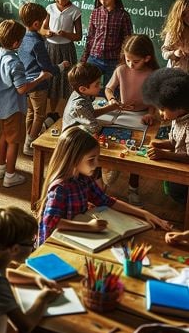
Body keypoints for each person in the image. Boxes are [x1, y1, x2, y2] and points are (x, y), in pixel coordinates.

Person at [36, 126, 171, 245]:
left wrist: (144, 213)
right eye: (91, 160)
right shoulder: (60, 188)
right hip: (54, 245)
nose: (96, 164)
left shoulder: (84, 179)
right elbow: (51, 222)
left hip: (77, 237)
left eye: (97, 158)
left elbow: (107, 201)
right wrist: (89, 227)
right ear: (73, 159)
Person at [0, 20, 53, 187]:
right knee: (14, 141)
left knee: (5, 135)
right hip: (12, 108)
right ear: (16, 43)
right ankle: (10, 175)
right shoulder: (15, 63)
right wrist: (41, 77)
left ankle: (1, 168)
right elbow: (22, 89)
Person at [104, 34, 160, 205]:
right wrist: (112, 100)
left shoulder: (153, 74)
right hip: (120, 112)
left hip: (141, 116)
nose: (130, 64)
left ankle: (133, 188)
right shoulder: (121, 70)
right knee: (104, 139)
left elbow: (154, 99)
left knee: (137, 150)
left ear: (147, 58)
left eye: (135, 61)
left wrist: (150, 113)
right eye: (127, 60)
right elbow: (108, 88)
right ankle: (103, 177)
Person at [18, 2, 69, 156]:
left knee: (30, 113)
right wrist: (61, 66)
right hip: (39, 85)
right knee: (39, 115)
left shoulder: (22, 38)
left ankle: (29, 137)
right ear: (36, 23)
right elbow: (47, 68)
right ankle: (29, 144)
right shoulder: (38, 43)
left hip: (26, 83)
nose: (45, 25)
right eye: (43, 22)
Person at [143, 68, 189, 204]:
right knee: (172, 189)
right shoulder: (178, 116)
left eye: (163, 109)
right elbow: (175, 143)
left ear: (178, 106)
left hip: (185, 173)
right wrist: (159, 144)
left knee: (178, 194)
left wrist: (163, 154)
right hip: (178, 168)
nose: (160, 113)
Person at [81, 0, 133, 89]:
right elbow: (90, 38)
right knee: (88, 88)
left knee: (112, 91)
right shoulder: (95, 13)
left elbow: (128, 41)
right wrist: (84, 59)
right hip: (94, 58)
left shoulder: (123, 16)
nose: (103, 0)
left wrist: (123, 61)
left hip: (114, 61)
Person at [42, 0, 82, 114]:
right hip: (50, 48)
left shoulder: (75, 11)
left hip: (66, 50)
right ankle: (52, 112)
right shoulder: (50, 8)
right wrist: (47, 33)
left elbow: (78, 36)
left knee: (67, 81)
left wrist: (65, 34)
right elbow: (42, 28)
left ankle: (68, 111)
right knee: (53, 80)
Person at [63, 62, 119, 134]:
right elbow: (95, 129)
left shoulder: (81, 93)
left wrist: (110, 108)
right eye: (97, 84)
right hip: (74, 140)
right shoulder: (79, 106)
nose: (101, 87)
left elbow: (90, 113)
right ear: (83, 89)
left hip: (81, 132)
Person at [161, 0, 189, 72]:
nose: (187, 17)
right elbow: (164, 52)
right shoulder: (175, 30)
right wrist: (175, 54)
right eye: (184, 14)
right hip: (177, 73)